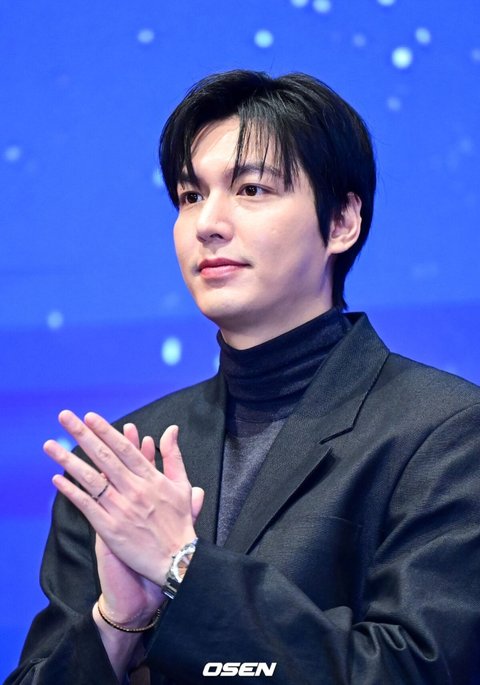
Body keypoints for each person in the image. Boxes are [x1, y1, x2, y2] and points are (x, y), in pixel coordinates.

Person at [6, 70, 480, 685]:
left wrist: (182, 568)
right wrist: (119, 625)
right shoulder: (121, 464)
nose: (208, 223)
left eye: (252, 189)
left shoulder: (446, 434)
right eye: (189, 196)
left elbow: (414, 670)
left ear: (342, 221)